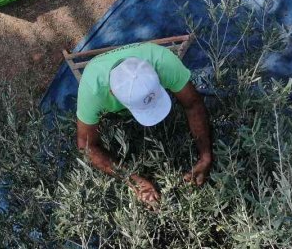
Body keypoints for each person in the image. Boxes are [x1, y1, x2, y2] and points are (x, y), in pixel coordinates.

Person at [76, 42, 213, 205]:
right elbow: (86, 144)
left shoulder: (163, 62)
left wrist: (205, 156)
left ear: (155, 74)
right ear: (113, 93)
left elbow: (193, 104)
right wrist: (135, 181)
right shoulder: (93, 89)